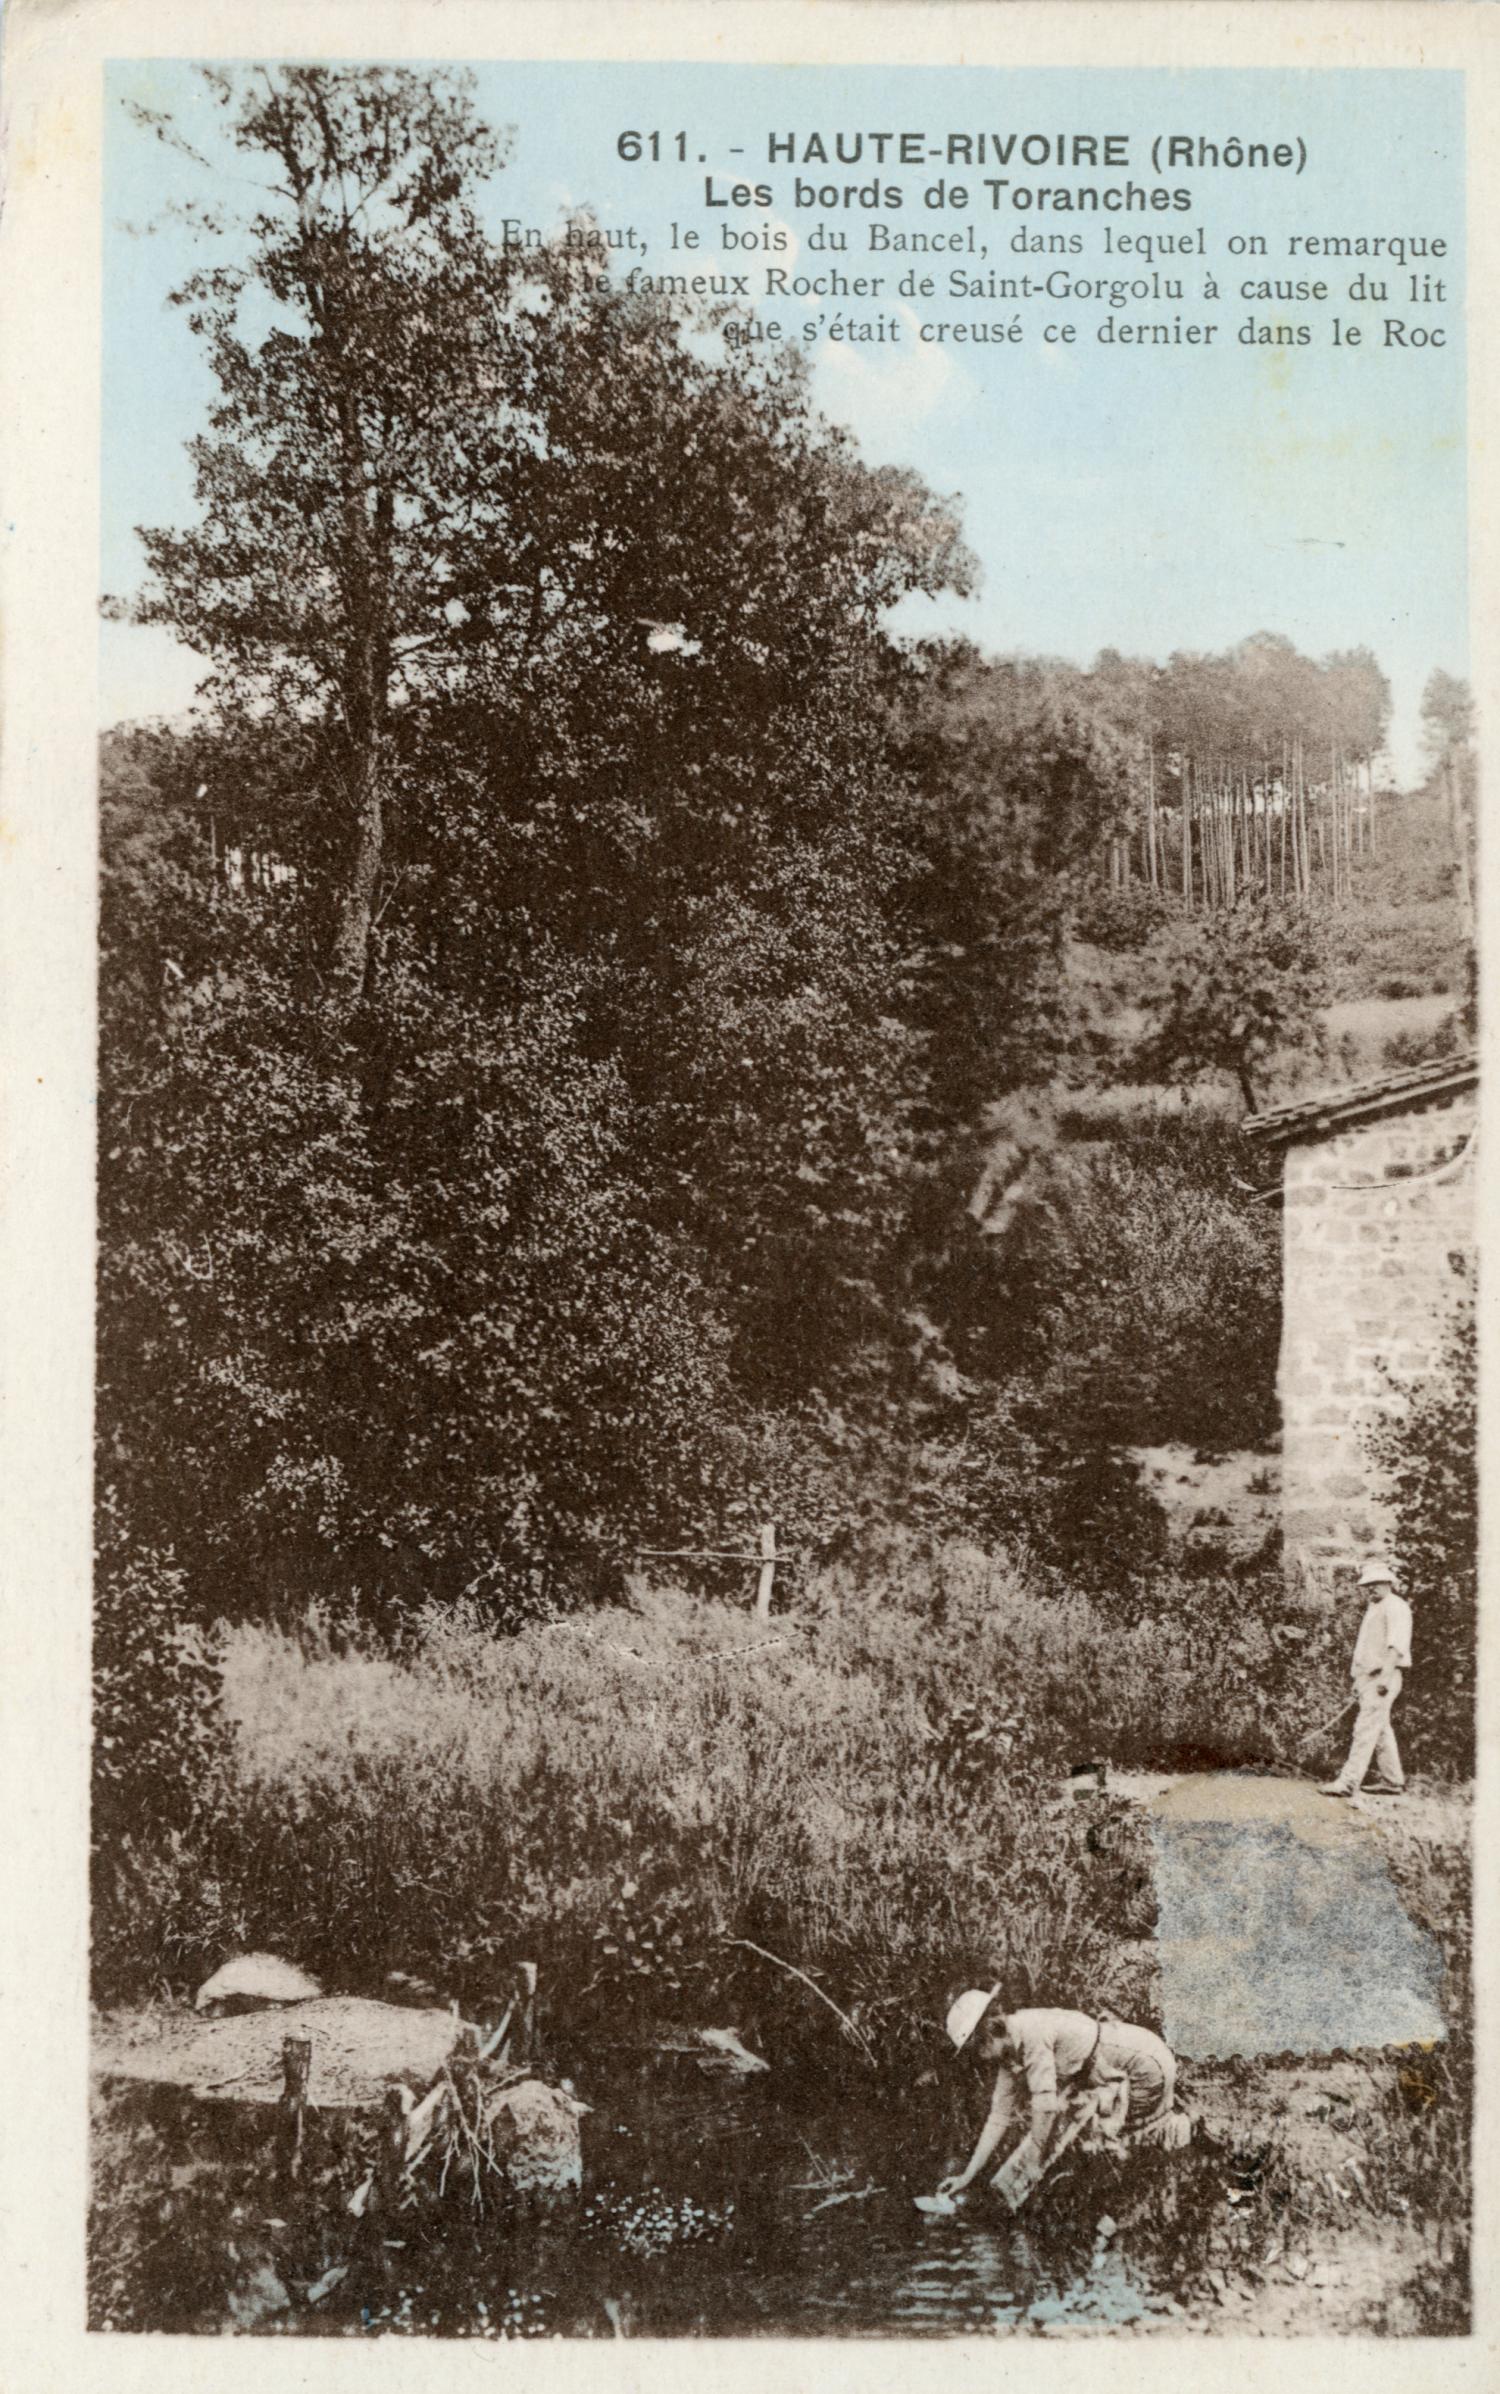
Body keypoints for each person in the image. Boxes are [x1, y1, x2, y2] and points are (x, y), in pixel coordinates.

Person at [937, 1991, 1178, 2196]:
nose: (981, 2057)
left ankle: (1175, 2149)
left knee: (1113, 2147)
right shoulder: (1009, 2049)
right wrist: (966, 2176)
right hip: (1110, 2068)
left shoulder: (1031, 2032)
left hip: (1142, 2063)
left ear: (991, 2030)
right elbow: (998, 2116)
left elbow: (1046, 2106)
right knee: (1078, 2141)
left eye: (979, 2047)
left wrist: (1033, 2161)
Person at [1319, 1556, 1412, 1799]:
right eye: (1368, 1584)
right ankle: (1393, 1782)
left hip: (1384, 1677)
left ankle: (1348, 1783)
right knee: (1380, 1729)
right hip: (1368, 1678)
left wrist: (1384, 1678)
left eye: (1377, 1583)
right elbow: (1366, 1648)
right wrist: (1357, 1679)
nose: (1372, 1588)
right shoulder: (1375, 1607)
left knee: (1365, 1729)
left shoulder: (1396, 1606)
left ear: (1388, 1582)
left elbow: (1396, 1646)